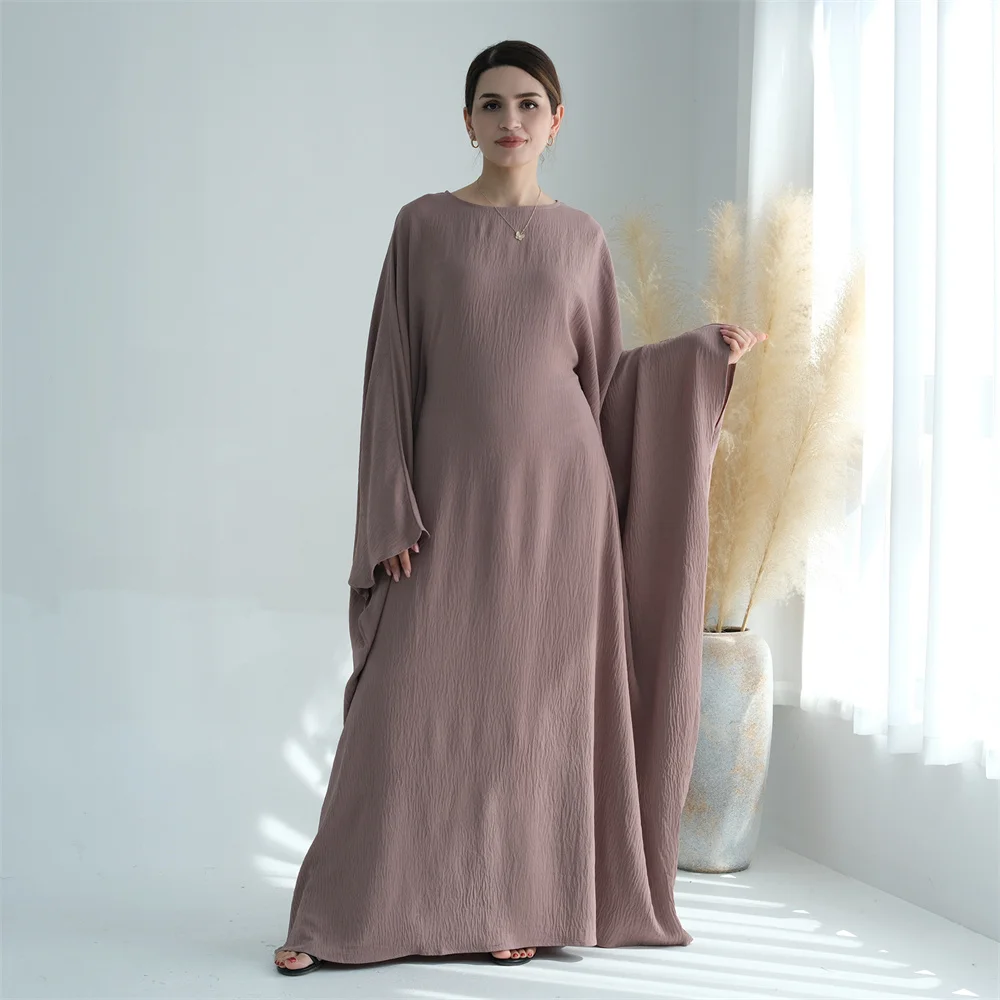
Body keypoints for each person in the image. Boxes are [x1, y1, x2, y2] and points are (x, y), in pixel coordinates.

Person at [274, 39, 764, 977]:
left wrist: (700, 356)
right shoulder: (422, 227)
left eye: (529, 104)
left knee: (532, 717)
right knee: (403, 709)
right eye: (492, 104)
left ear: (556, 121)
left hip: (562, 506)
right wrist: (389, 510)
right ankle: (333, 916)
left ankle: (516, 901)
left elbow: (607, 386)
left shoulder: (581, 238)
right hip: (448, 500)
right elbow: (390, 375)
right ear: (467, 121)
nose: (511, 120)